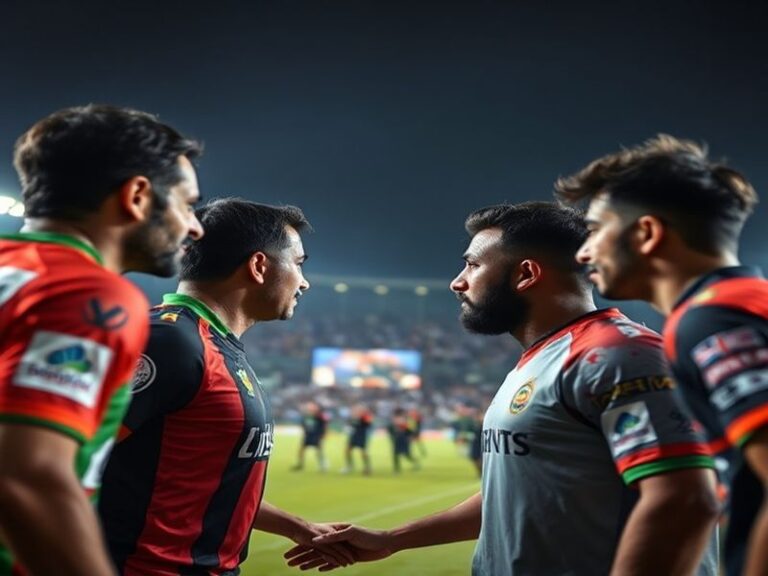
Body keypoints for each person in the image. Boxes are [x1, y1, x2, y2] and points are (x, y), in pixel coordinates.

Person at [287, 202, 720, 575]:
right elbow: (517, 495)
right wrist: (392, 539)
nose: (458, 281)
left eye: (473, 264)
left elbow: (685, 501)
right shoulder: (542, 358)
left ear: (527, 274)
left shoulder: (619, 354)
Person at [98, 199, 354, 575]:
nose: (304, 281)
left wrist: (296, 527)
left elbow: (198, 488)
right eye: (298, 265)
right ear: (259, 266)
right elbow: (52, 464)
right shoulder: (167, 343)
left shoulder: (213, 346)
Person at [0, 104, 204, 576]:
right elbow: (29, 476)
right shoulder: (88, 294)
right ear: (136, 196)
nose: (196, 226)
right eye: (188, 204)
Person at [555, 134, 767, 576]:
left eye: (594, 230)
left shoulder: (712, 321)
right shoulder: (749, 303)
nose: (583, 252)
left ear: (647, 233)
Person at [292, 400, 330, 472]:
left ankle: (322, 464)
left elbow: (325, 424)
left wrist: (324, 434)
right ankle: (300, 464)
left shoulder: (320, 415)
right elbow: (303, 424)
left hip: (316, 435)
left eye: (312, 406)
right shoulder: (307, 415)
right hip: (308, 435)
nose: (310, 408)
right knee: (302, 449)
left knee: (319, 450)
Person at [341, 403, 374, 475]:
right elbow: (348, 425)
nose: (355, 411)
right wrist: (347, 428)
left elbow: (369, 423)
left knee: (363, 453)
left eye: (357, 410)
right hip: (353, 436)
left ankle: (367, 467)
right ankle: (349, 466)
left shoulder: (365, 417)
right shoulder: (352, 418)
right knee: (347, 450)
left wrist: (365, 417)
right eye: (354, 410)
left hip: (362, 436)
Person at [388, 406, 420, 474]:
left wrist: (410, 436)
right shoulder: (394, 420)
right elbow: (390, 429)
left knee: (406, 454)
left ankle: (415, 462)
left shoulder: (408, 420)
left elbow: (412, 429)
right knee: (395, 454)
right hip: (397, 439)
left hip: (404, 439)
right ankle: (397, 469)